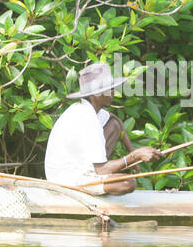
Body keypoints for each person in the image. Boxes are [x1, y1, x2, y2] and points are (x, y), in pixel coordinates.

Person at [45, 62, 161, 195]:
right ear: (95, 94)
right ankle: (97, 180)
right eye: (109, 89)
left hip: (81, 168)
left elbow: (116, 122)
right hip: (65, 180)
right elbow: (100, 169)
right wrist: (135, 156)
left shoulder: (88, 108)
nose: (113, 92)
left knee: (114, 126)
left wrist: (132, 151)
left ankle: (100, 177)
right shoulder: (87, 119)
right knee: (127, 183)